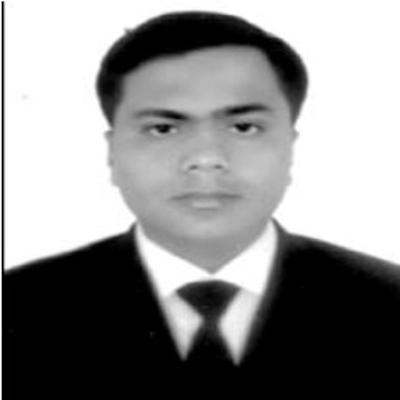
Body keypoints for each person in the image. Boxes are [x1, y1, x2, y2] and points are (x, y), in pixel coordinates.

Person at [5, 11, 400, 398]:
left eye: (244, 127)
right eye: (163, 129)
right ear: (112, 153)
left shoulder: (388, 303)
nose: (206, 158)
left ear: (290, 146)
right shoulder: (17, 309)